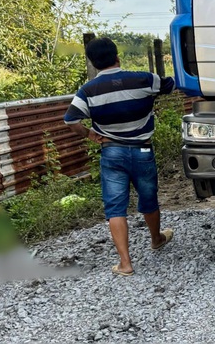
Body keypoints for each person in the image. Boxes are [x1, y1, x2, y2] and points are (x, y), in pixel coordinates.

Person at [63, 37, 176, 276]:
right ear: (117, 57)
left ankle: (125, 264)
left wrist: (90, 134)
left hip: (111, 152)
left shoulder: (88, 91)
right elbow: (171, 85)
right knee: (148, 197)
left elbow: (70, 119)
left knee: (115, 207)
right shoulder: (144, 79)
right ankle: (156, 238)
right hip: (143, 149)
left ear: (93, 63)